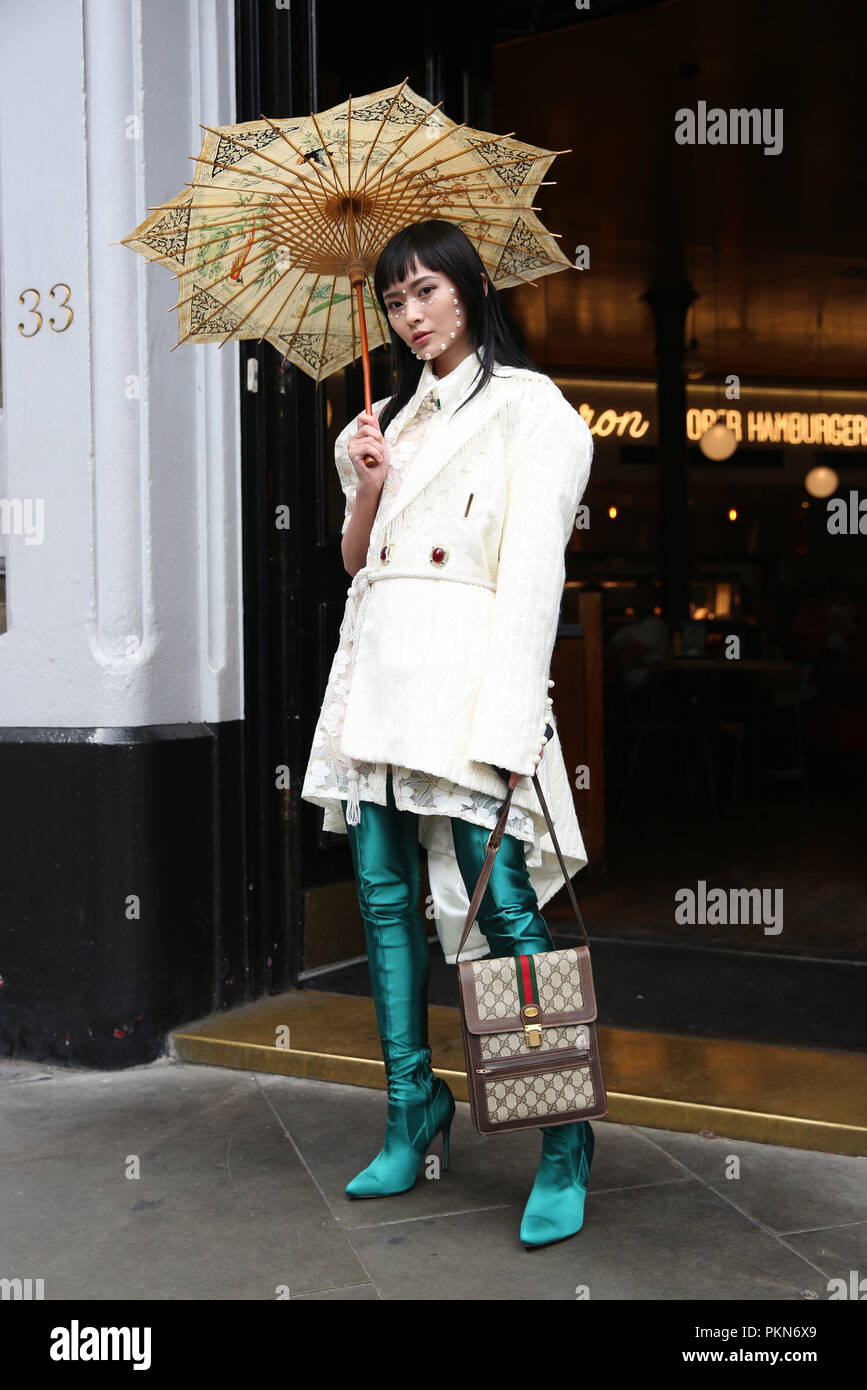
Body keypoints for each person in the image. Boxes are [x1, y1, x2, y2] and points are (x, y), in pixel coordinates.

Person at [300, 219, 595, 1247]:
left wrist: (513, 718)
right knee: (383, 906)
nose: (411, 315)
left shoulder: (532, 411)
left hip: (470, 691)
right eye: (393, 302)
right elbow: (353, 562)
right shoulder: (376, 425)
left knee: (505, 913)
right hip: (380, 685)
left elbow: (531, 581)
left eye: (426, 291)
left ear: (470, 289)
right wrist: (370, 481)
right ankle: (409, 1113)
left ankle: (561, 1143)